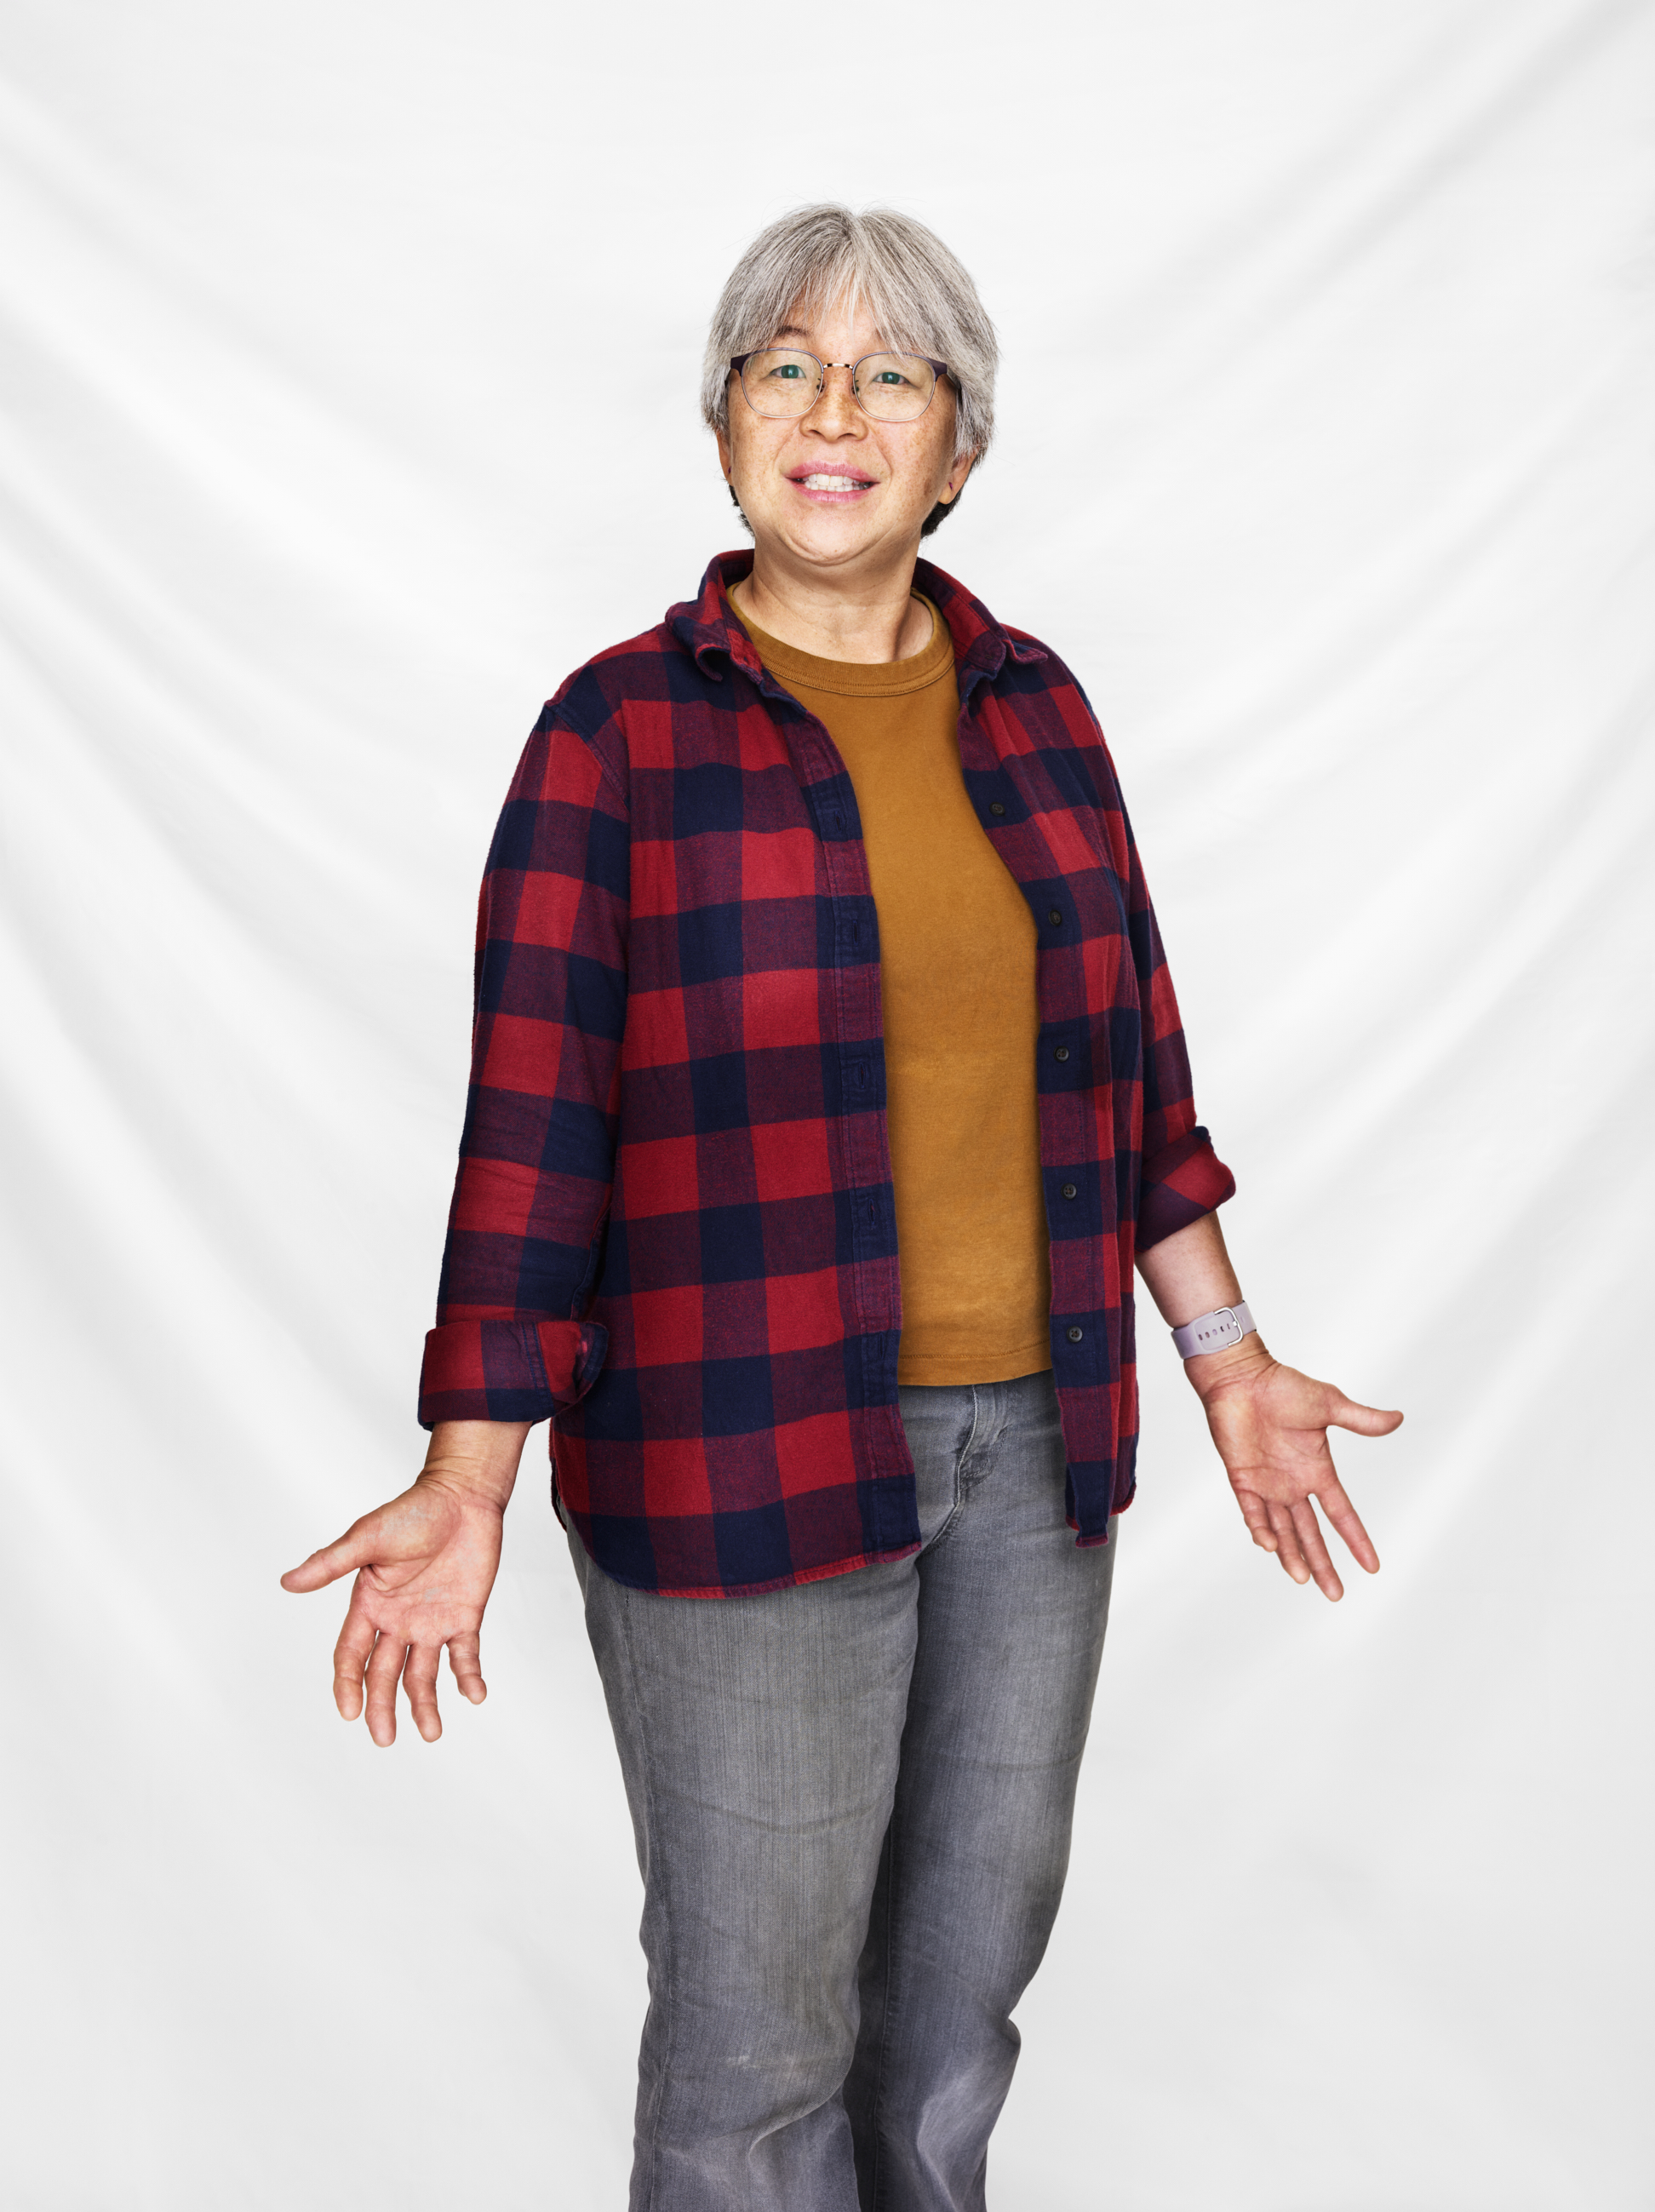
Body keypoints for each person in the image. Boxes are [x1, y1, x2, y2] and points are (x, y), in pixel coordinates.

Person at [282, 203, 1403, 2211]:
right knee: (756, 2058)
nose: (834, 414)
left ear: (957, 448)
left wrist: (1230, 1362)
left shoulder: (1040, 709)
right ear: (724, 425)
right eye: (786, 367)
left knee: (955, 2032)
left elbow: (1135, 1082)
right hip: (738, 1452)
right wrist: (467, 1475)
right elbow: (531, 1128)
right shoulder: (617, 737)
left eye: (893, 376)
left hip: (1035, 1459)